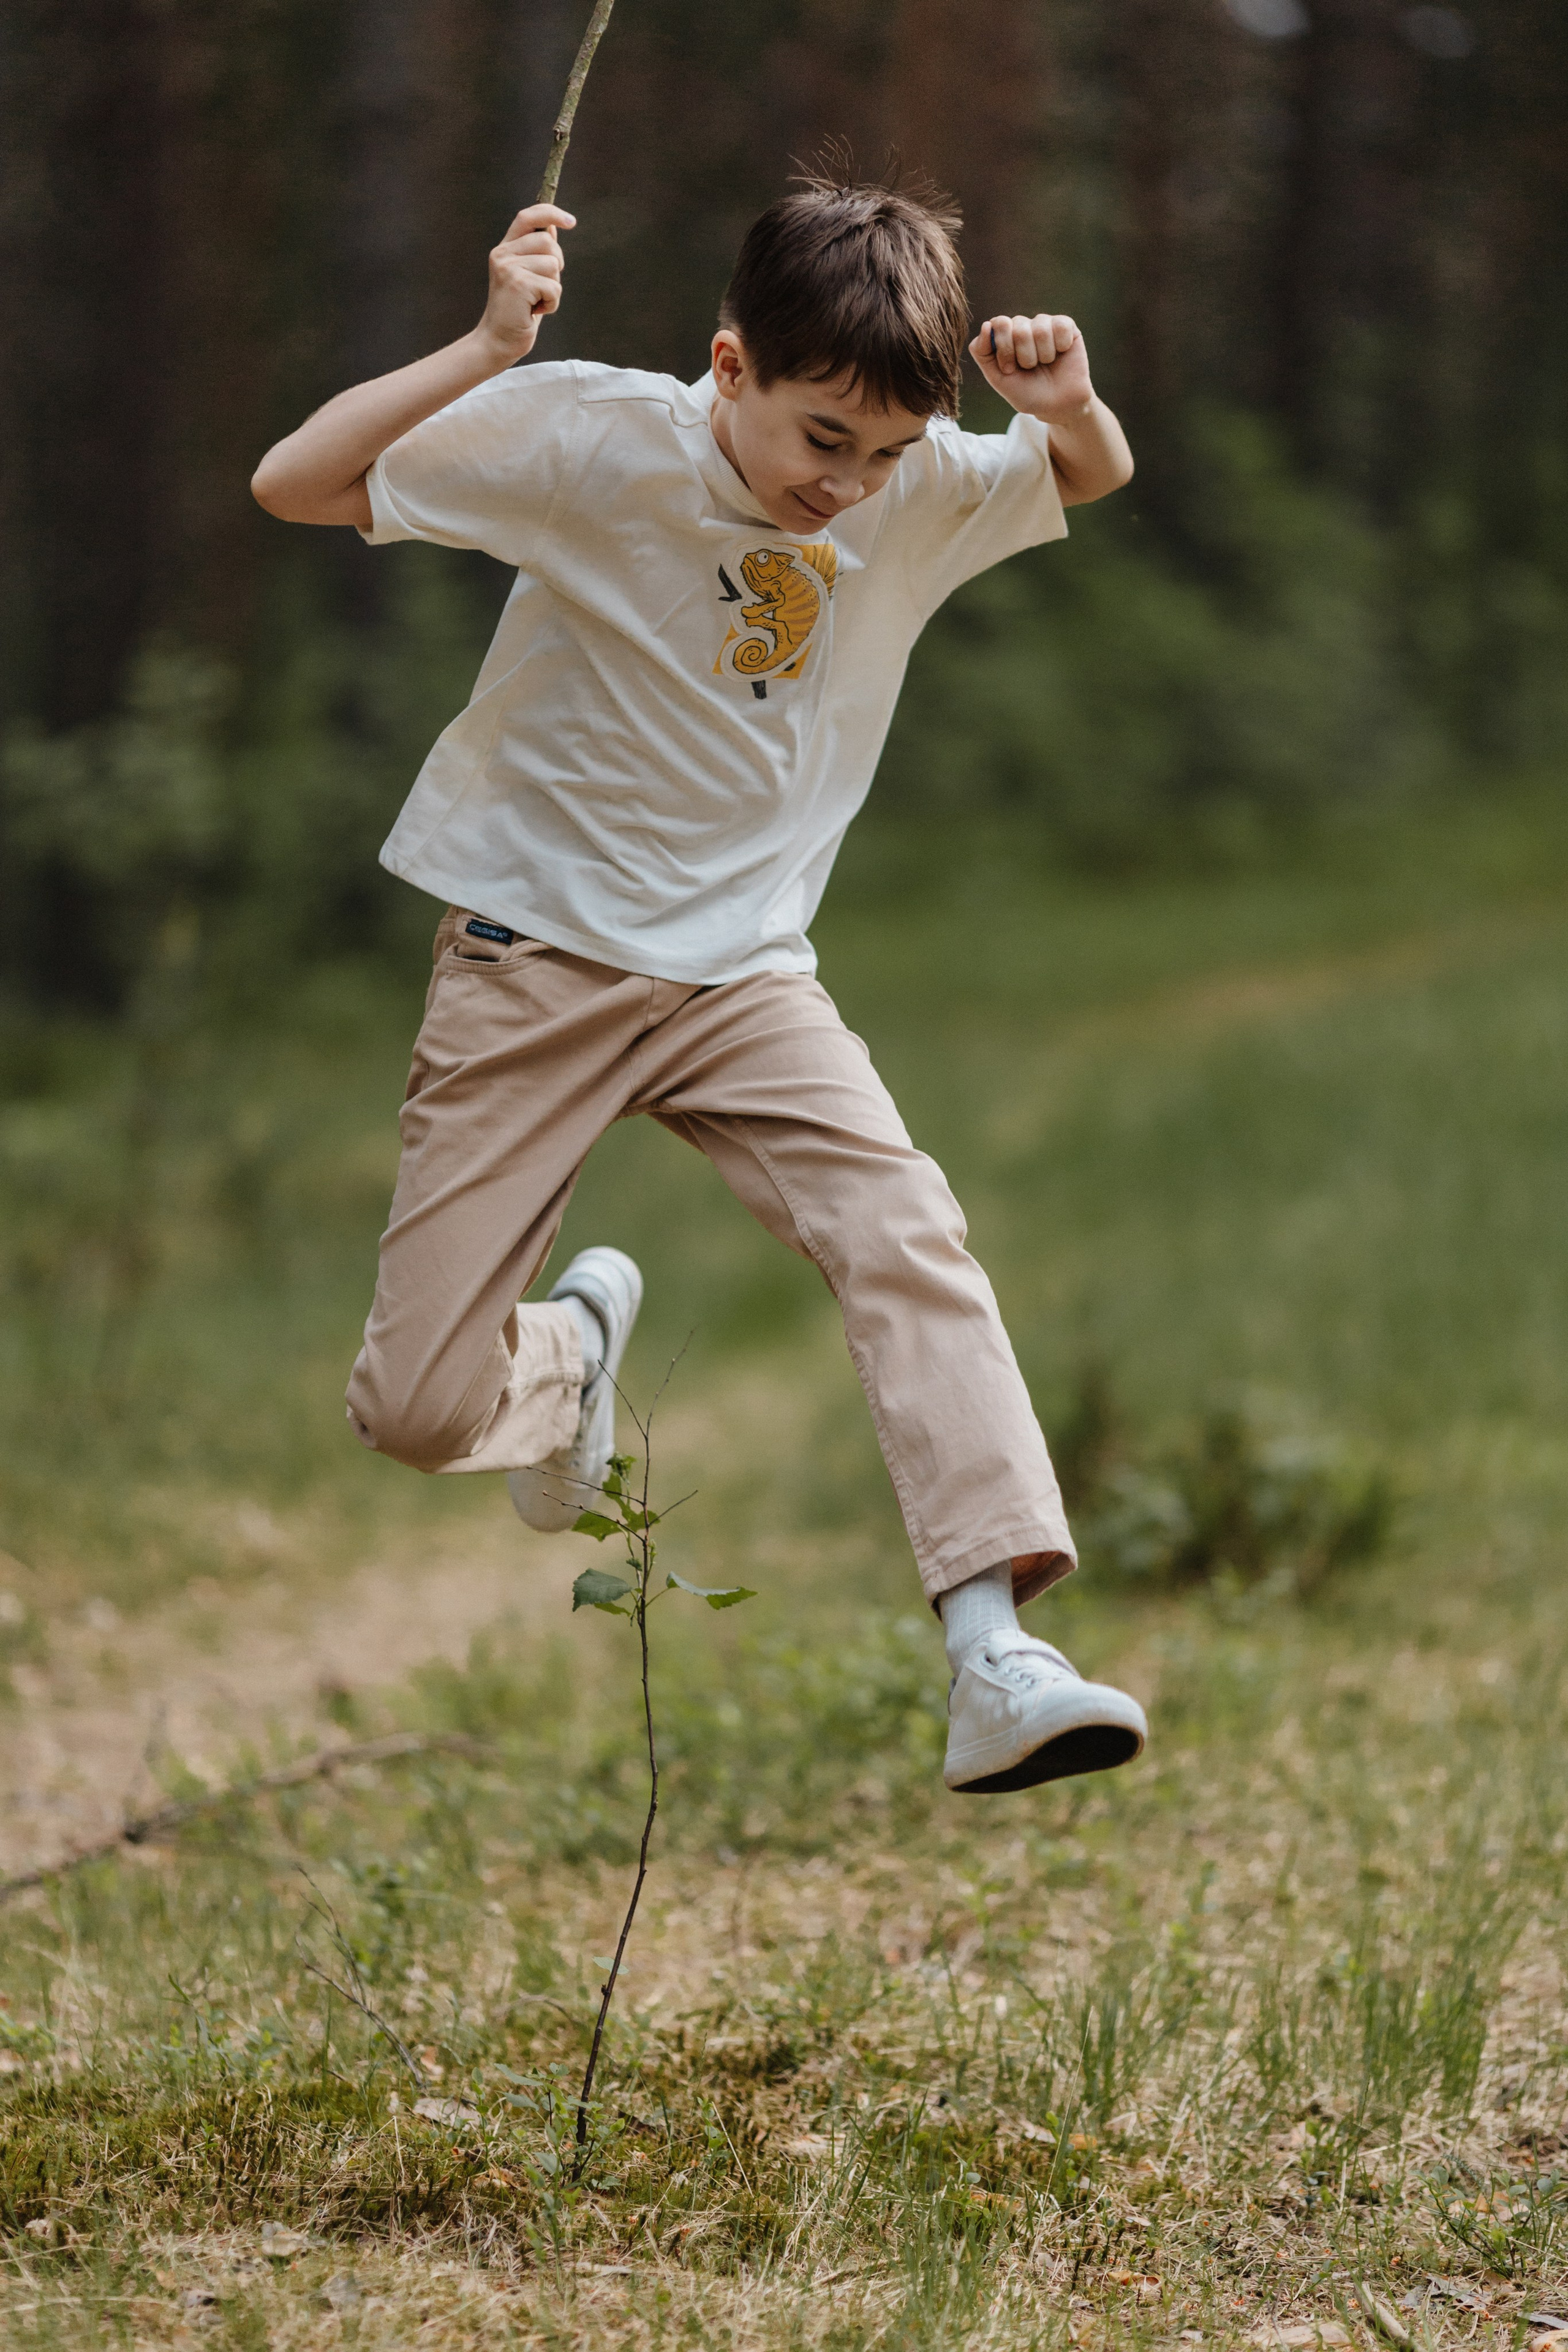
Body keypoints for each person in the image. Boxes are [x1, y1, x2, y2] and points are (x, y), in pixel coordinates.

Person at [251, 167, 1147, 1796]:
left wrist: (1065, 401)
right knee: (415, 1409)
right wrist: (479, 345)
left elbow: (1082, 471)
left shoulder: (910, 486)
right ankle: (568, 1367)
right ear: (730, 368)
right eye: (822, 442)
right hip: (537, 959)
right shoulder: (593, 440)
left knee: (907, 1229)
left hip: (743, 974)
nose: (850, 489)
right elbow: (295, 482)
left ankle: (994, 1654)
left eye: (883, 453)